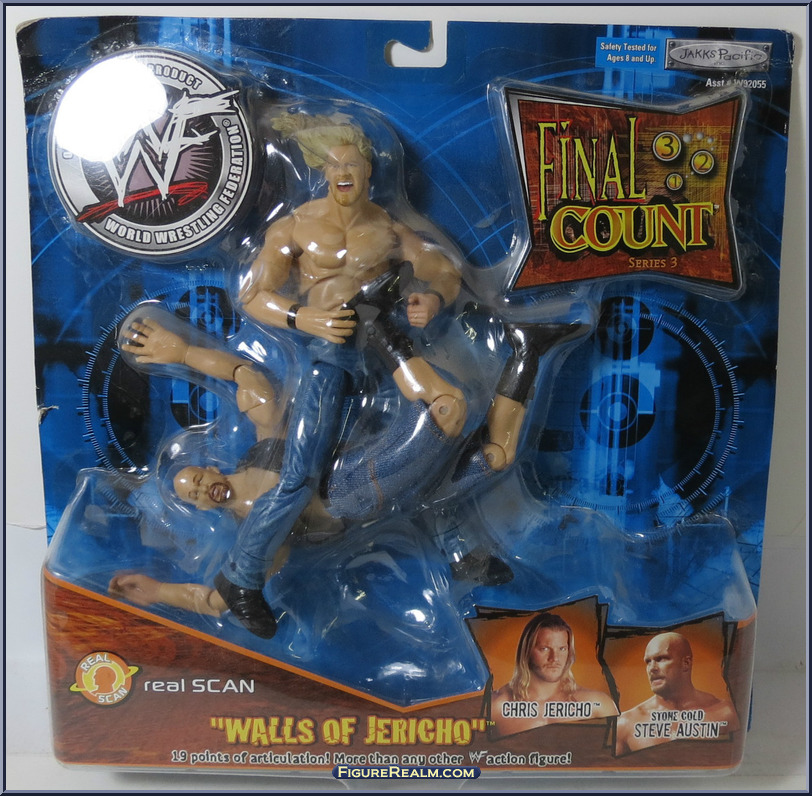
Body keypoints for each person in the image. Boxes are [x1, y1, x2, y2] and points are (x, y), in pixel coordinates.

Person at [216, 111, 586, 638]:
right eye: (335, 164)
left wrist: (432, 298)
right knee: (299, 476)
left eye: (353, 164)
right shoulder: (295, 227)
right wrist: (304, 317)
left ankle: (458, 547)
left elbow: (441, 268)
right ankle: (240, 576)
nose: (344, 173)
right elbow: (253, 295)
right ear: (322, 171)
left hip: (381, 354)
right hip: (328, 355)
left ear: (370, 171)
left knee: (439, 441)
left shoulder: (387, 229)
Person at [490, 613, 618, 736]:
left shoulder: (598, 705)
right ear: (526, 651)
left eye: (562, 649)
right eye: (544, 649)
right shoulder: (496, 706)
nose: (555, 658)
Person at [614, 632, 740, 755]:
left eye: (661, 659)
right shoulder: (625, 723)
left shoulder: (725, 713)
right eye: (648, 662)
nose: (652, 668)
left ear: (686, 663)